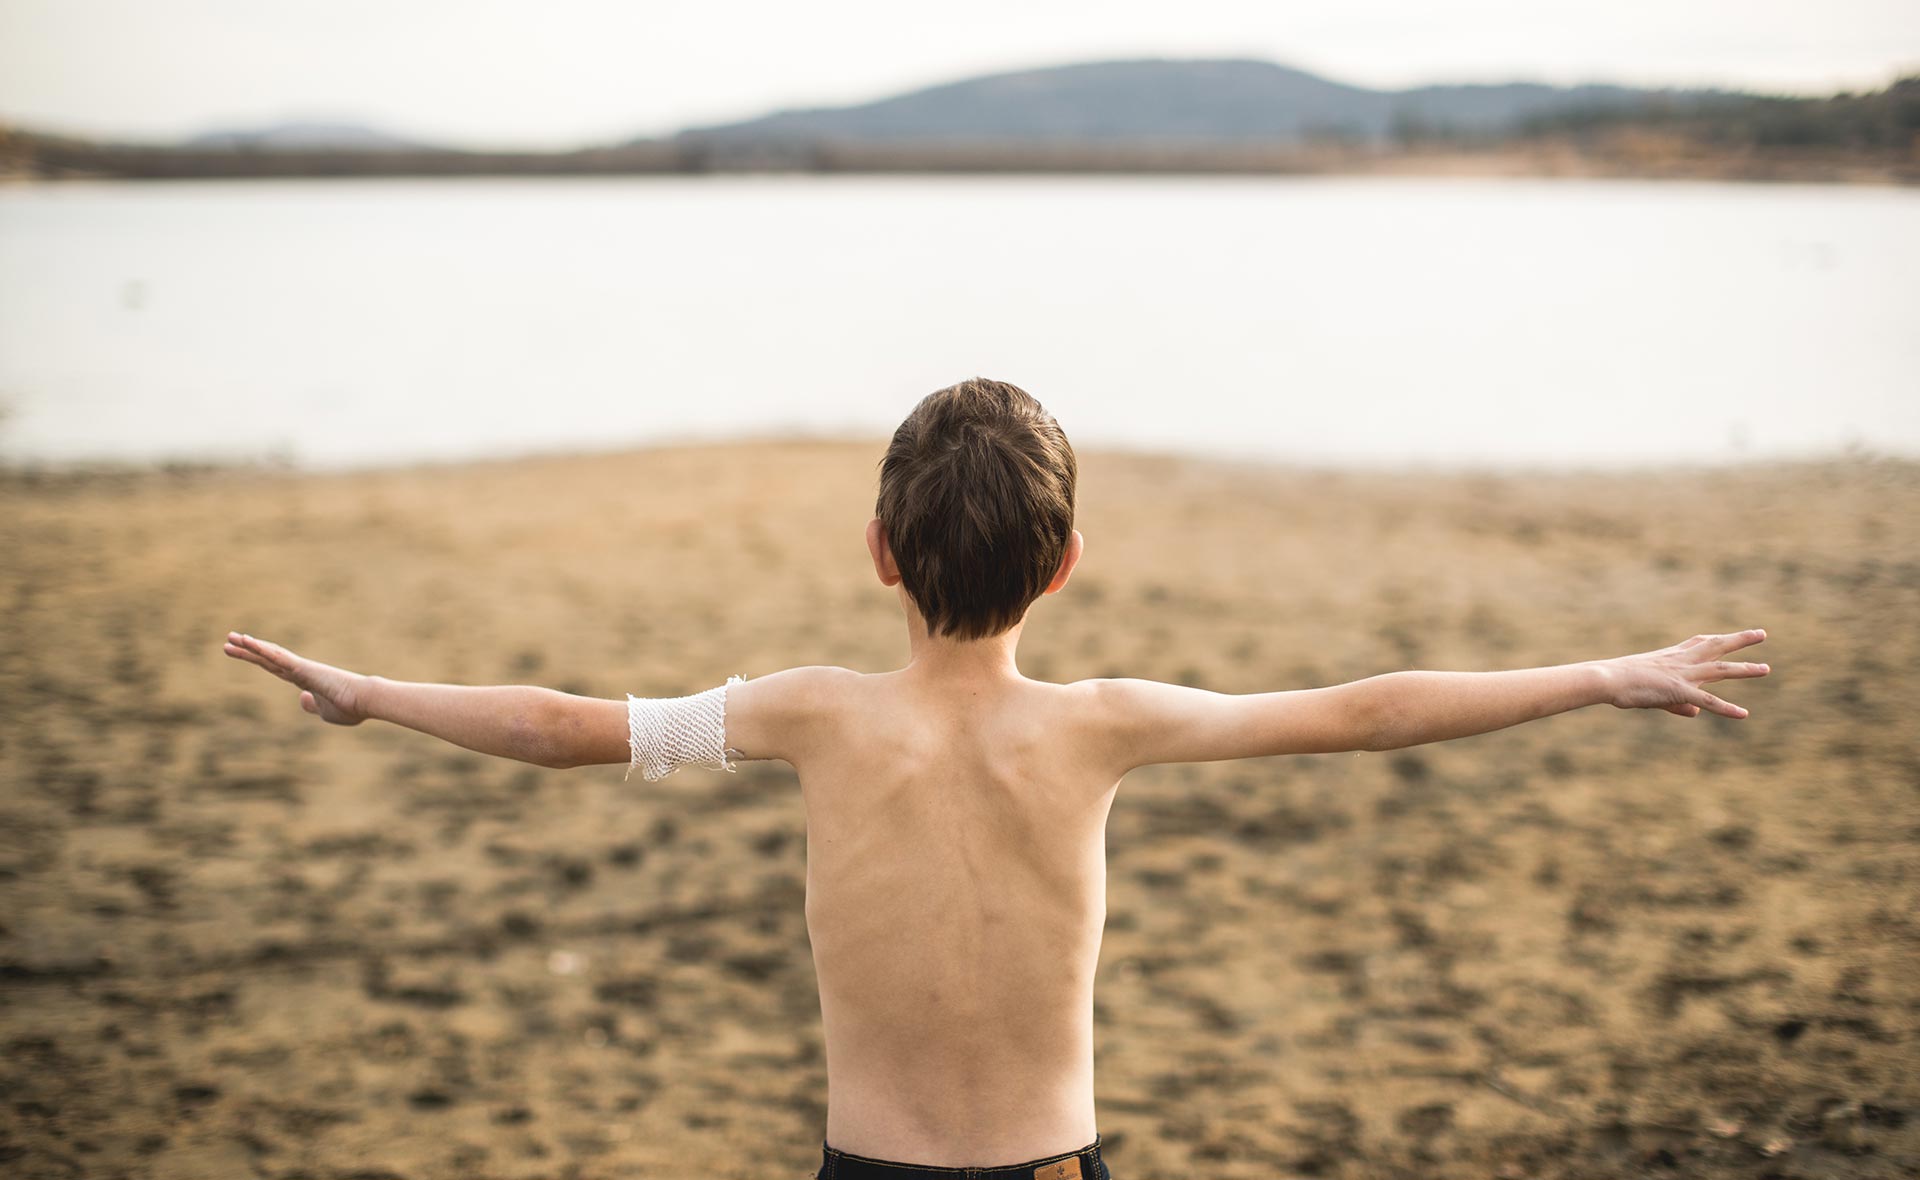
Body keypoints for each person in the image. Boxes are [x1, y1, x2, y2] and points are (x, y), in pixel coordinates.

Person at [222, 377, 1771, 1180]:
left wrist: (373, 695)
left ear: (880, 554)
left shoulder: (807, 716)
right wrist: (1597, 672)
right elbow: (1365, 712)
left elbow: (567, 727)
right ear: (1071, 563)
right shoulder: (1104, 723)